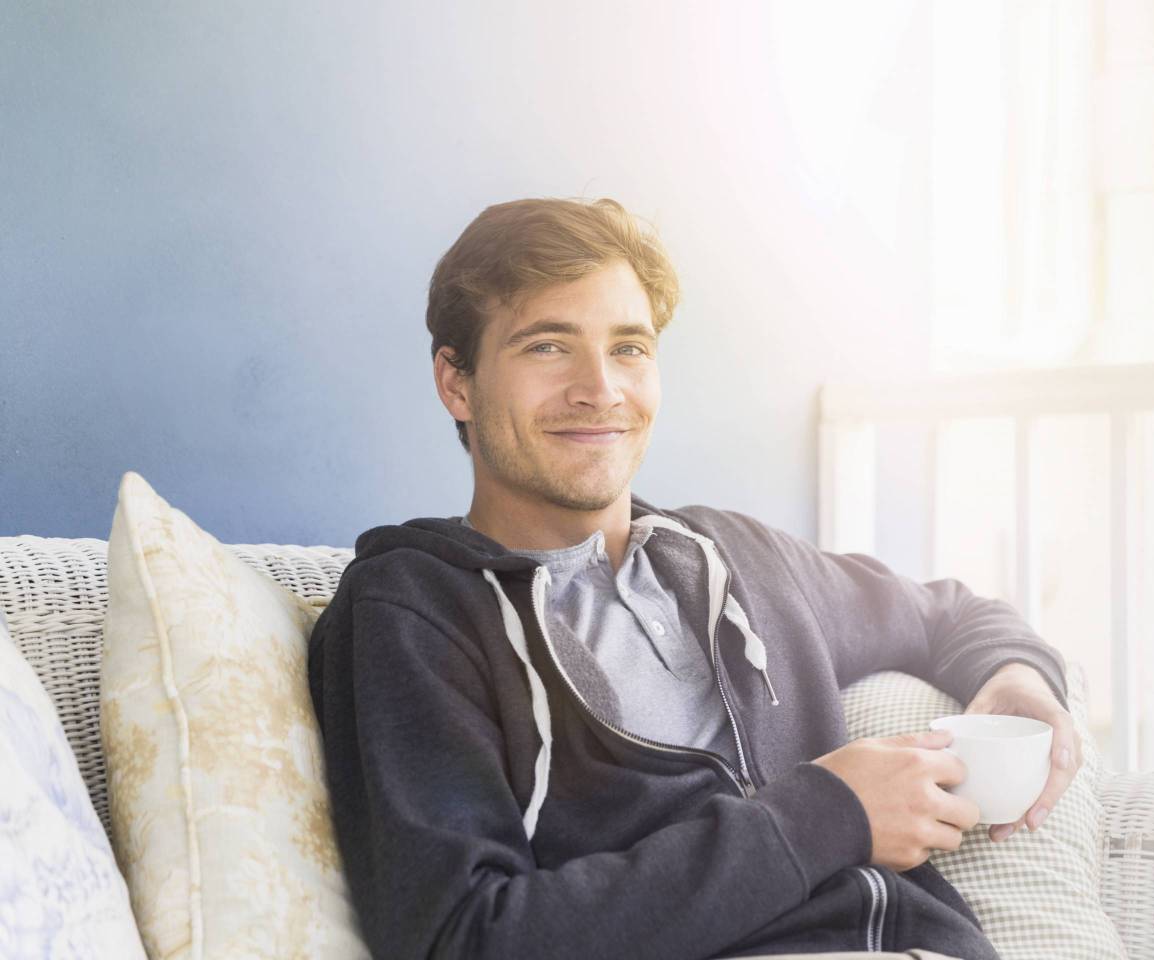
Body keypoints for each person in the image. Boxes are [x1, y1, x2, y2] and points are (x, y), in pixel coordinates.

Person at [307, 197, 1080, 960]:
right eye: (548, 346)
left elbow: (948, 615)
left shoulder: (739, 556)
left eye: (629, 348)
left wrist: (1020, 678)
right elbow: (465, 937)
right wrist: (827, 815)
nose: (600, 388)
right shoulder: (413, 612)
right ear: (457, 382)